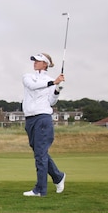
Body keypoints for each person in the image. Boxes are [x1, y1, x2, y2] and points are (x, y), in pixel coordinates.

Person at [22, 53, 66, 196]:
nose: (34, 62)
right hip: (30, 119)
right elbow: (33, 87)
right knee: (40, 153)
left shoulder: (50, 81)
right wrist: (53, 83)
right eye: (34, 60)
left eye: (38, 60)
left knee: (40, 155)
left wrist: (57, 90)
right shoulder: (28, 77)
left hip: (43, 118)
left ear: (45, 64)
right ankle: (58, 176)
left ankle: (40, 190)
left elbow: (51, 101)